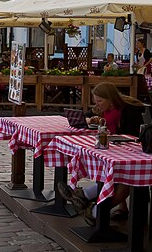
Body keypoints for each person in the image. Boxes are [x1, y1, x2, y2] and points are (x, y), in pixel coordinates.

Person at [60, 82, 146, 220]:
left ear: (110, 99)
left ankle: (93, 208)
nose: (97, 104)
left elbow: (133, 135)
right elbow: (88, 114)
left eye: (100, 100)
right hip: (116, 149)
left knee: (123, 174)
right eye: (96, 100)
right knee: (107, 168)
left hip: (133, 152)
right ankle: (85, 197)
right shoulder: (105, 109)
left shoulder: (128, 110)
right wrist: (92, 119)